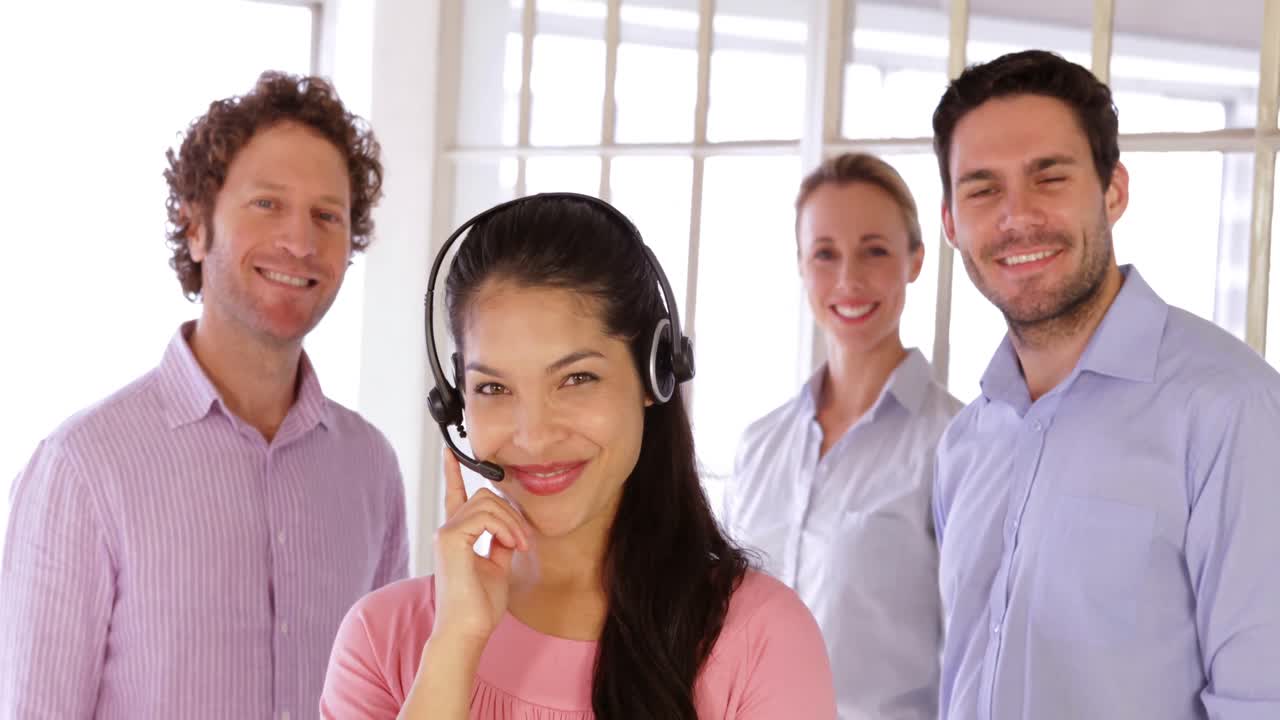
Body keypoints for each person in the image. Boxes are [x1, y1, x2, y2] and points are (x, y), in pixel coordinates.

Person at [320, 193, 837, 719]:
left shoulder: (761, 637)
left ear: (653, 375)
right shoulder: (382, 638)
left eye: (577, 379)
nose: (535, 436)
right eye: (494, 389)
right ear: (456, 402)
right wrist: (455, 643)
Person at [0, 71, 408, 719]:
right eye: (267, 204)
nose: (300, 242)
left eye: (327, 215)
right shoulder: (81, 468)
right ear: (195, 228)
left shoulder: (371, 469)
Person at [931, 49, 1280, 720]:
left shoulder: (1233, 414)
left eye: (1049, 177)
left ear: (1113, 191)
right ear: (951, 223)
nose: (1016, 216)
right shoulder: (964, 445)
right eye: (981, 188)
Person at [723, 152, 961, 719]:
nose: (849, 280)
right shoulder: (759, 448)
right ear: (801, 266)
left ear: (915, 260)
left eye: (875, 251)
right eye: (825, 254)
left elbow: (976, 657)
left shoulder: (958, 444)